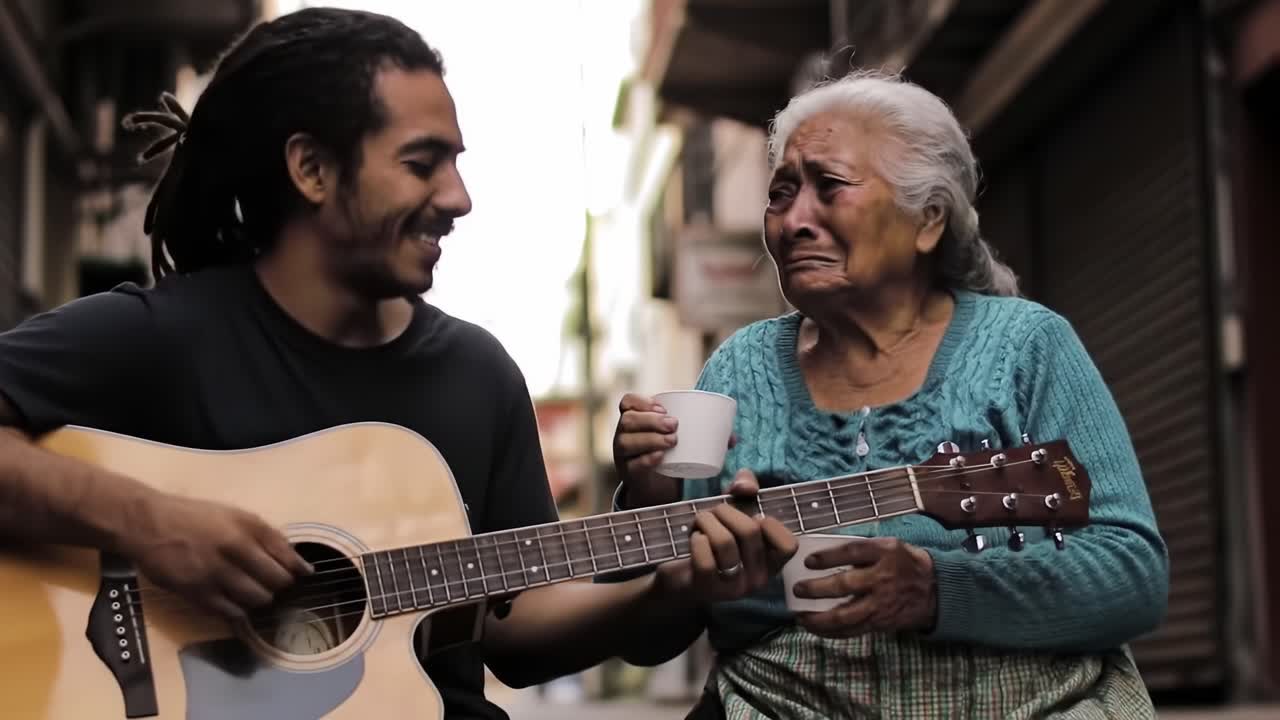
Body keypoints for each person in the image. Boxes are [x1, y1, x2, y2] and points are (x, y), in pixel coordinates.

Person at [0, 8, 795, 719]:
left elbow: (514, 631)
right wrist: (150, 524)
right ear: (311, 169)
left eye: (456, 162)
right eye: (422, 163)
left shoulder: (474, 373)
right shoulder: (164, 338)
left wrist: (670, 588)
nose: (459, 197)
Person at [613, 70, 1170, 719]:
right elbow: (647, 643)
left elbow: (1132, 577)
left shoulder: (1025, 346)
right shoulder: (739, 369)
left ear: (927, 218)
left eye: (830, 187)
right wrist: (648, 499)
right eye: (781, 193)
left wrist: (937, 591)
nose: (793, 221)